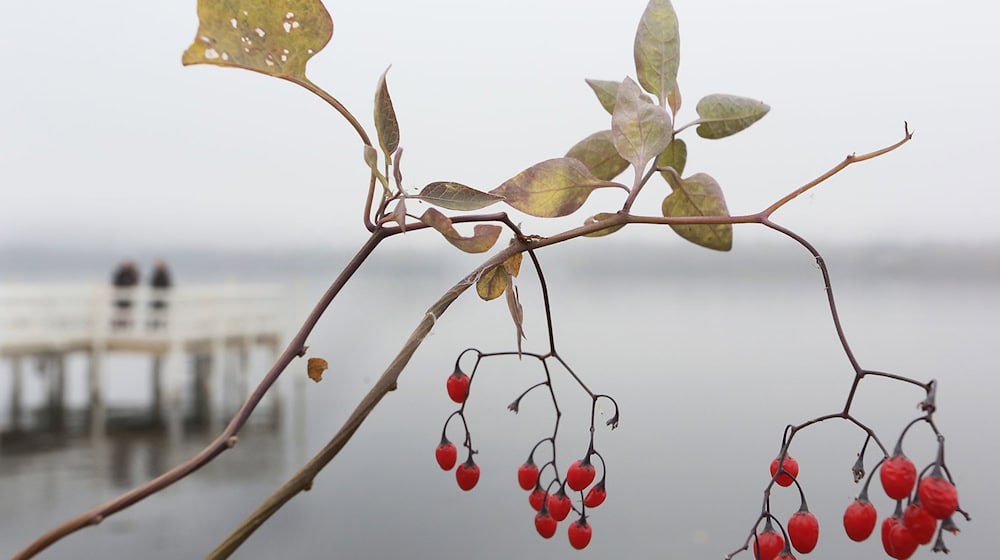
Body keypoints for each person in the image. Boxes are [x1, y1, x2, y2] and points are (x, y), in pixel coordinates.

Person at [111, 260, 139, 329]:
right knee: (120, 312)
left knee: (127, 312)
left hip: (128, 297)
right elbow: (116, 283)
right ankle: (119, 326)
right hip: (121, 297)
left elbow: (135, 283)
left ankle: (126, 326)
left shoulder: (132, 273)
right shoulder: (121, 273)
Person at [148, 260, 173, 330]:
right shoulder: (156, 274)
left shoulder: (164, 275)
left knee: (162, 313)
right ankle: (155, 327)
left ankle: (162, 327)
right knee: (155, 313)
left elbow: (168, 285)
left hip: (162, 297)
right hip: (155, 297)